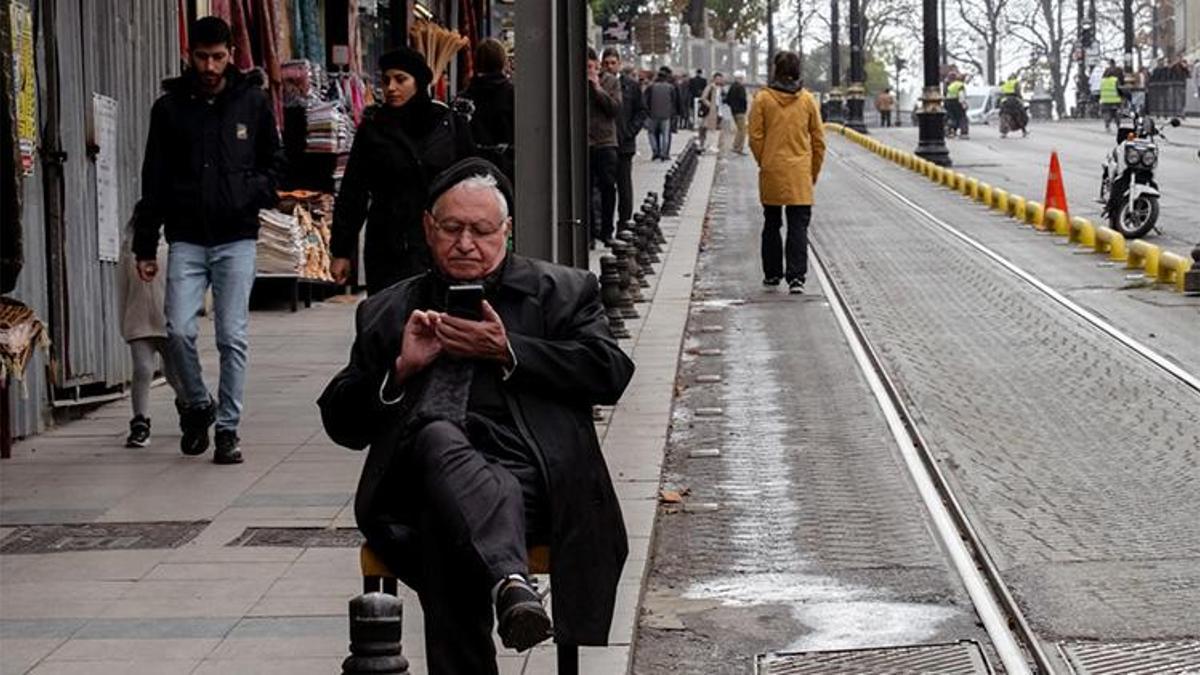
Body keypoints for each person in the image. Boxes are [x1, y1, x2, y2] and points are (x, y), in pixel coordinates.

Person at [318, 158, 635, 675]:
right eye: (452, 228)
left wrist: (509, 350)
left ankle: (506, 584)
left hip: (534, 482)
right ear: (428, 228)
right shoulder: (389, 310)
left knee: (445, 522)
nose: (465, 243)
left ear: (506, 231)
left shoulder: (562, 292)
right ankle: (510, 583)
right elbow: (342, 423)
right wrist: (399, 371)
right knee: (437, 442)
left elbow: (610, 372)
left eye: (482, 231)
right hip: (417, 485)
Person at [134, 17, 284, 464]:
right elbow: (153, 178)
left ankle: (228, 430)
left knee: (231, 337)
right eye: (202, 57)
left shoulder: (252, 102)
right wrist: (145, 244)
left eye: (218, 57)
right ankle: (199, 404)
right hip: (186, 237)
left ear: (231, 54)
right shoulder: (169, 109)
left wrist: (249, 191)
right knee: (178, 329)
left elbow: (275, 163)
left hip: (237, 237)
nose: (210, 66)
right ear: (190, 55)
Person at [331, 48, 475, 295]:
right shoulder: (374, 129)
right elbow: (353, 192)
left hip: (441, 242)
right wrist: (341, 251)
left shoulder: (448, 125)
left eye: (400, 79)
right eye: (386, 80)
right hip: (388, 245)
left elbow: (472, 184)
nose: (391, 88)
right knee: (389, 312)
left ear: (418, 82)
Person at [748, 51, 826, 295]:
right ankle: (796, 277)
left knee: (771, 222)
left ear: (776, 70)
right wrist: (812, 171)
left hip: (772, 169)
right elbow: (819, 140)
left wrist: (765, 160)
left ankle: (772, 274)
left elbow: (755, 136)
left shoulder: (762, 99)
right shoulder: (807, 100)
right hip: (800, 172)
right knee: (798, 226)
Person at [120, 202, 179, 448]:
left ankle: (192, 405)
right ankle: (140, 422)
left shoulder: (173, 248)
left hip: (168, 322)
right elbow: (122, 289)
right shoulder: (128, 250)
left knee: (175, 375)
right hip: (138, 321)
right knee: (142, 370)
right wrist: (124, 323)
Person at [457, 38, 514, 184]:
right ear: (503, 62)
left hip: (471, 171)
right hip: (507, 169)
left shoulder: (463, 98)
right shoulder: (513, 95)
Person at [602, 48, 647, 227]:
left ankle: (624, 223)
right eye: (606, 63)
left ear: (619, 64)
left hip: (624, 144)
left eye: (613, 63)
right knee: (605, 187)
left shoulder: (631, 85)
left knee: (624, 187)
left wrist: (630, 132)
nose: (609, 66)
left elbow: (641, 111)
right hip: (604, 144)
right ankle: (604, 226)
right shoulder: (599, 84)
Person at [587, 47, 621, 244]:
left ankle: (607, 231)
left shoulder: (610, 82)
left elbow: (614, 109)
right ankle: (590, 233)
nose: (589, 71)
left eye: (591, 67)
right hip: (585, 143)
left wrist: (597, 88)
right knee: (587, 189)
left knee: (608, 187)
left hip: (605, 142)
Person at [645, 66, 679, 160]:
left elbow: (646, 100)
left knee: (651, 133)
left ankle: (655, 151)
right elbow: (674, 101)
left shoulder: (651, 87)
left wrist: (647, 112)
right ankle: (664, 153)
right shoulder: (670, 87)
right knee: (665, 134)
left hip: (653, 114)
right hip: (666, 114)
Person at [698, 72, 725, 152]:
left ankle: (709, 145)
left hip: (718, 110)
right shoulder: (710, 87)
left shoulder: (720, 88)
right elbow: (703, 98)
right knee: (707, 128)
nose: (719, 80)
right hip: (710, 111)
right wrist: (711, 106)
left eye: (720, 79)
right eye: (718, 79)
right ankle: (708, 145)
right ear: (714, 79)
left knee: (713, 128)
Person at [726, 71, 749, 153]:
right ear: (740, 78)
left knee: (739, 129)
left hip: (734, 111)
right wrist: (744, 108)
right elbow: (743, 99)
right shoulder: (741, 87)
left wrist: (733, 106)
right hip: (740, 111)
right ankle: (739, 148)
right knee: (742, 130)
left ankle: (735, 145)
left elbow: (727, 99)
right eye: (742, 78)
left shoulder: (732, 87)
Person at [1099, 67, 1124, 131]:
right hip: (1115, 100)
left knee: (1107, 113)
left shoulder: (1102, 81)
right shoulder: (1115, 80)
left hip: (1105, 100)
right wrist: (1122, 97)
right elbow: (1119, 89)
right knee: (1117, 112)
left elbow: (1101, 90)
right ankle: (1118, 125)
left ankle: (1107, 125)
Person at [945, 73, 968, 138]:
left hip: (949, 102)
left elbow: (947, 94)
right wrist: (964, 104)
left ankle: (949, 130)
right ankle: (964, 133)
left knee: (952, 117)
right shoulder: (960, 85)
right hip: (957, 102)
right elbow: (961, 95)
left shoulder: (951, 85)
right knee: (962, 117)